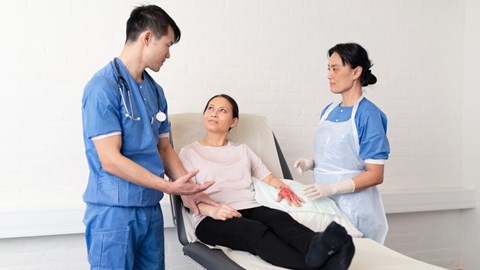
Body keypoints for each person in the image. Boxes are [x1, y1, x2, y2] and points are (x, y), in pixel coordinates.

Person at [81, 5, 215, 269]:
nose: (168, 55)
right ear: (147, 38)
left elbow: (164, 149)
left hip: (150, 210)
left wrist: (187, 189)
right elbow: (109, 159)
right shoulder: (102, 88)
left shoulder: (155, 91)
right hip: (114, 213)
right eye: (167, 45)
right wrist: (168, 187)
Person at [178, 94, 355, 270]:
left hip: (249, 207)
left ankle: (317, 244)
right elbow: (186, 198)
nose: (214, 113)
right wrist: (214, 210)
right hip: (210, 219)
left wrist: (284, 188)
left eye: (222, 110)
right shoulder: (189, 152)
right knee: (254, 231)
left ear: (233, 122)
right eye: (210, 108)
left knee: (280, 219)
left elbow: (268, 177)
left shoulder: (242, 151)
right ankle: (319, 266)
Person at [294, 42, 390, 244]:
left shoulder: (369, 115)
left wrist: (333, 188)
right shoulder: (328, 110)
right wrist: (313, 163)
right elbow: (341, 155)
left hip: (355, 210)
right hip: (325, 205)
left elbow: (375, 174)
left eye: (335, 69)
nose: (329, 75)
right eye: (328, 69)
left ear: (356, 72)